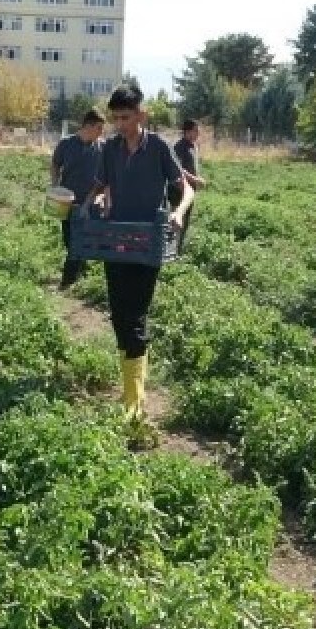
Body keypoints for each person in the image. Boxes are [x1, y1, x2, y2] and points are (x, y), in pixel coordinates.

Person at [82, 84, 194, 420]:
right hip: (117, 241)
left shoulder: (158, 146)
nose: (120, 124)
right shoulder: (111, 148)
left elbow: (185, 188)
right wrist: (91, 203)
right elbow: (100, 185)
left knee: (135, 316)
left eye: (126, 117)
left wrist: (178, 213)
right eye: (115, 118)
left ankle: (134, 402)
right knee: (118, 315)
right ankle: (132, 386)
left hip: (148, 243)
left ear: (140, 114)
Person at [50, 108, 106, 289]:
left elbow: (105, 177)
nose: (101, 132)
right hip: (66, 202)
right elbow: (55, 164)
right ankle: (80, 271)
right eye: (99, 128)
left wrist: (99, 198)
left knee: (80, 240)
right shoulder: (66, 144)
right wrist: (55, 185)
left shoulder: (101, 147)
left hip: (89, 203)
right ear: (88, 126)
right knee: (69, 240)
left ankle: (68, 281)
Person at [169, 119, 207, 251]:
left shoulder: (193, 146)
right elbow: (178, 169)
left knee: (185, 221)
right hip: (178, 190)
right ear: (187, 131)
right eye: (196, 130)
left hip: (189, 191)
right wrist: (196, 179)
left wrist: (195, 181)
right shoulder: (179, 147)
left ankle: (177, 250)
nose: (198, 133)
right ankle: (170, 250)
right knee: (176, 220)